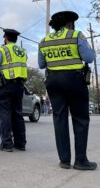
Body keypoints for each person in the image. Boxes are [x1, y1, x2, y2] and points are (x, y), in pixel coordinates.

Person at [38, 10, 97, 170]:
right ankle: (80, 161)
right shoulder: (76, 35)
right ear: (70, 23)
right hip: (74, 80)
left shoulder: (44, 41)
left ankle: (64, 160)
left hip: (53, 81)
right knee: (80, 119)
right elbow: (89, 58)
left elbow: (41, 64)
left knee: (59, 119)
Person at [0, 29, 27, 152]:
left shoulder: (2, 50)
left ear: (5, 38)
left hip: (5, 85)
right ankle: (20, 143)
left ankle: (7, 143)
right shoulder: (22, 51)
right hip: (19, 85)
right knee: (18, 114)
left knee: (5, 114)